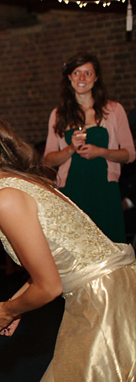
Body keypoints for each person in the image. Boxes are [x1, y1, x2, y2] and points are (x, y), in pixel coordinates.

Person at [0, 107, 136, 382]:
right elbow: (54, 261)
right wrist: (17, 307)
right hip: (108, 293)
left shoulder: (6, 197)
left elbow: (49, 285)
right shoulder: (15, 186)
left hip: (102, 301)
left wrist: (7, 310)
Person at [43, 53, 135, 243]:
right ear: (69, 77)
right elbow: (47, 160)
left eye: (88, 73)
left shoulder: (114, 110)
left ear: (96, 78)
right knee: (77, 248)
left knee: (110, 247)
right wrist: (70, 149)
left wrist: (100, 152)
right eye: (77, 73)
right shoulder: (58, 114)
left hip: (105, 190)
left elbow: (130, 154)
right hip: (72, 190)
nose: (82, 78)